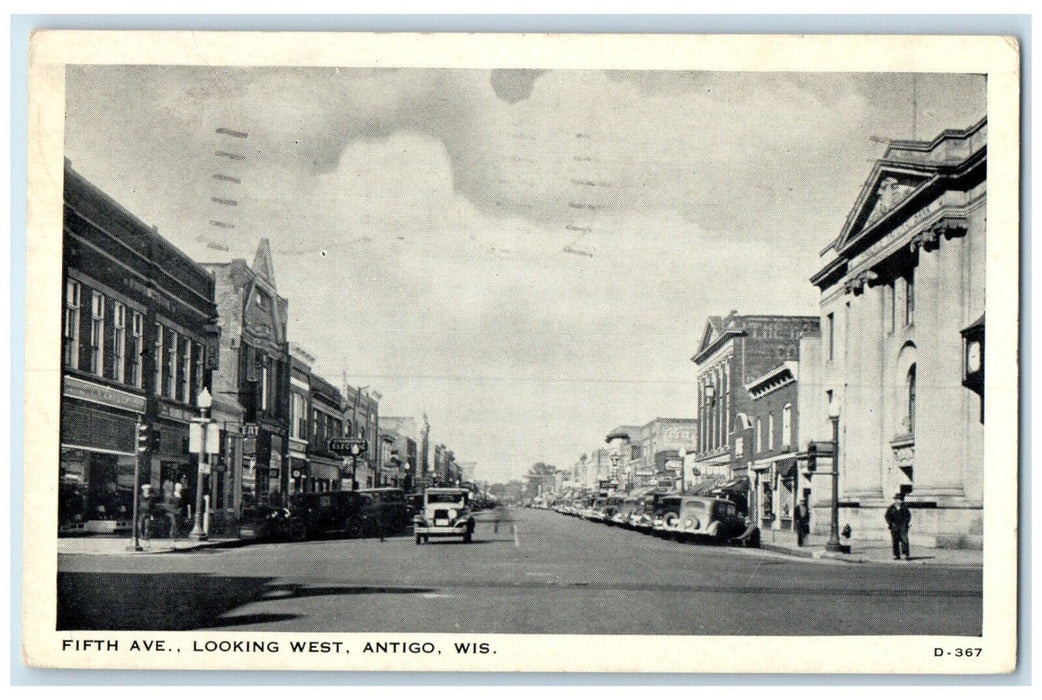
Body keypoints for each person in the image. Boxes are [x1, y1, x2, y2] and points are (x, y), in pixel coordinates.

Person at [884, 492, 912, 560]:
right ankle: (897, 555)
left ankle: (906, 555)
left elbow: (908, 516)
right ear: (896, 500)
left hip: (903, 526)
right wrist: (890, 523)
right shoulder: (891, 508)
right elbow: (887, 516)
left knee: (905, 541)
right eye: (899, 499)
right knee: (895, 541)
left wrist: (906, 523)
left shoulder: (904, 508)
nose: (901, 501)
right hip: (894, 526)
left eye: (901, 499)